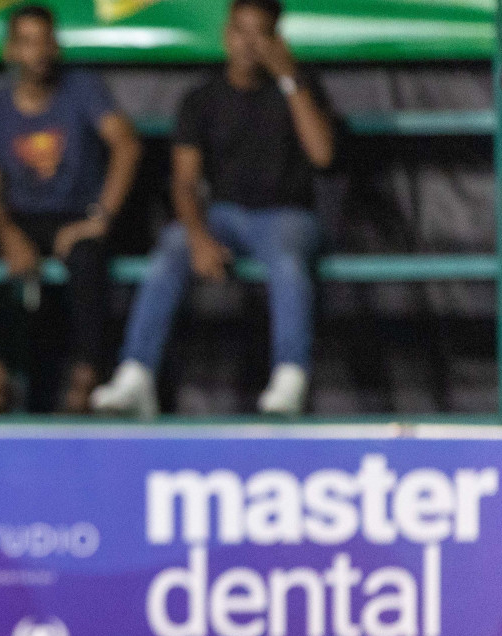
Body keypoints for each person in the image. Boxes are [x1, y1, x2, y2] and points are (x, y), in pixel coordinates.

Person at [92, 0, 334, 418]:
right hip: (221, 216)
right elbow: (184, 183)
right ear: (226, 35)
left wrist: (290, 79)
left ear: (277, 39)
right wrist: (199, 236)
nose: (249, 43)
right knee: (171, 246)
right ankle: (135, 375)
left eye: (261, 33)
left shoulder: (300, 86)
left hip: (287, 216)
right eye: (241, 31)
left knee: (287, 260)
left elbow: (323, 156)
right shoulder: (202, 97)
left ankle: (290, 377)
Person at [0, 4, 140, 412]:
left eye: (46, 39)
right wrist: (9, 236)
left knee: (88, 255)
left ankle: (86, 379)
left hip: (74, 214)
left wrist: (99, 218)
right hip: (20, 218)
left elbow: (127, 145)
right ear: (10, 50)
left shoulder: (82, 88)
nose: (39, 51)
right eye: (27, 42)